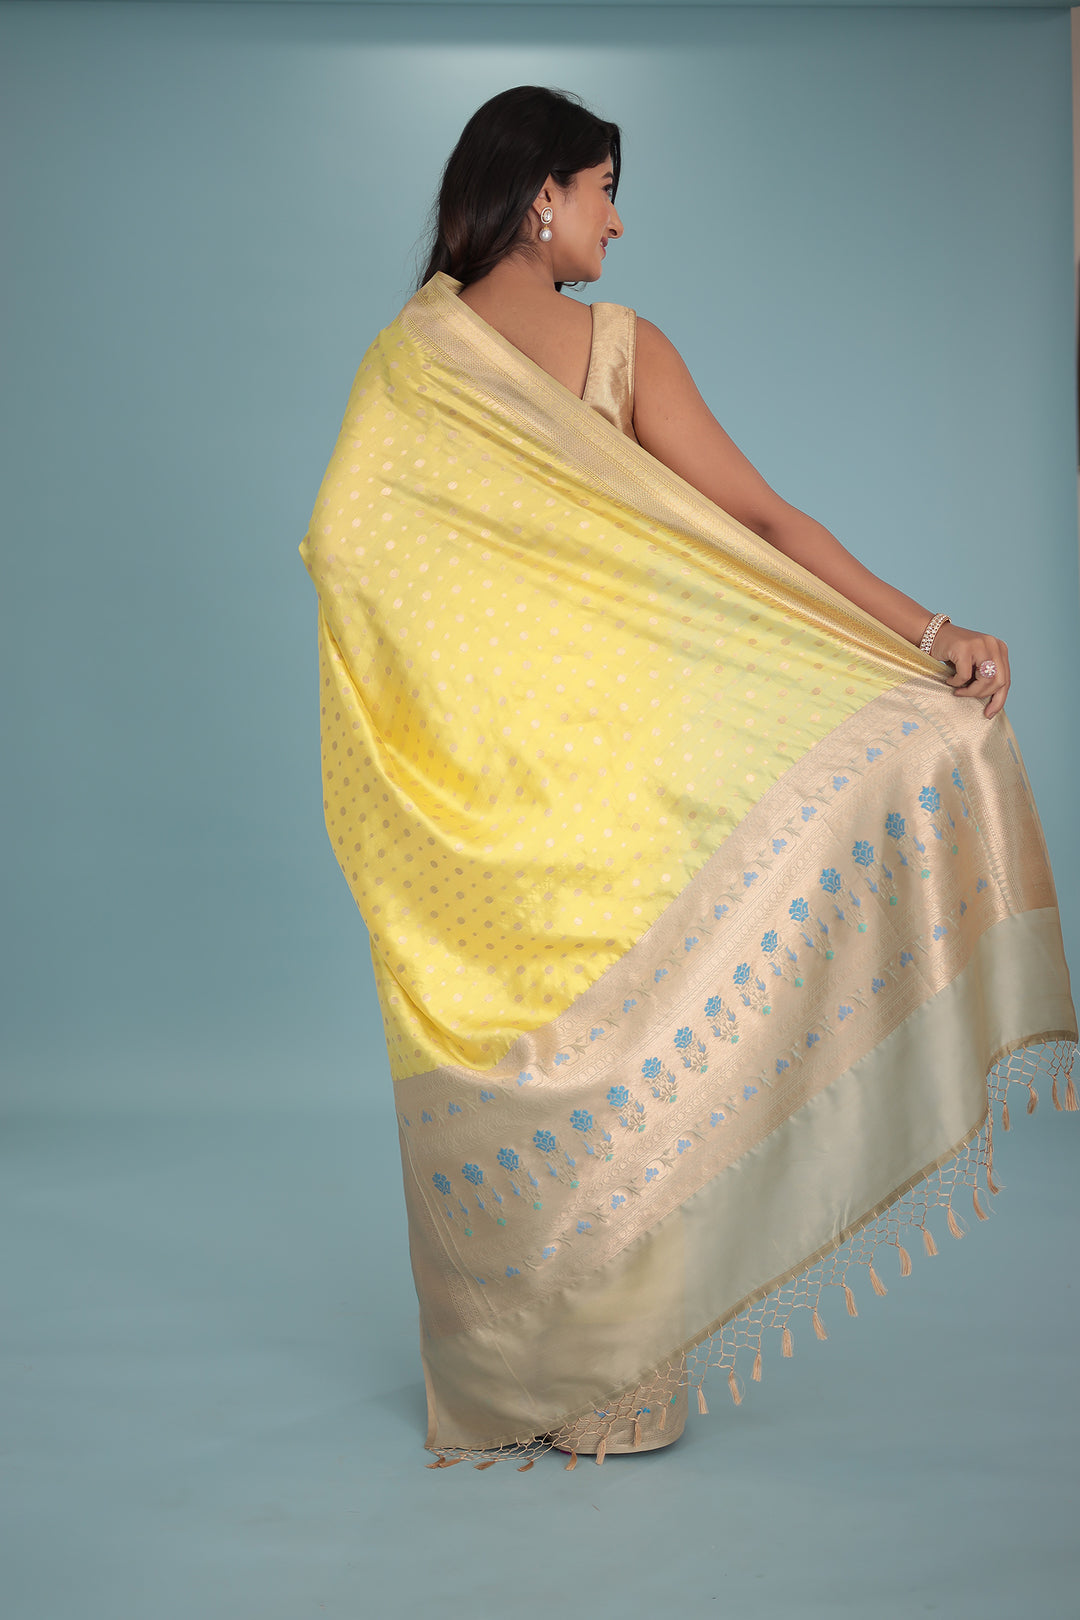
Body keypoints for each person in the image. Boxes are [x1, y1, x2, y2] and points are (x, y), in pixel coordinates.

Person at [299, 86, 1077, 1471]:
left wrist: (458, 696)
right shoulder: (603, 349)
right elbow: (768, 518)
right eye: (604, 189)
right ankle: (614, 1378)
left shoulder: (408, 361)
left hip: (494, 772)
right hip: (620, 752)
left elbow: (349, 552)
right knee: (629, 1058)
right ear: (541, 194)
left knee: (548, 1050)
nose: (616, 222)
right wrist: (934, 637)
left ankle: (543, 1373)